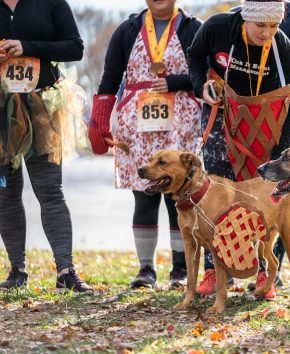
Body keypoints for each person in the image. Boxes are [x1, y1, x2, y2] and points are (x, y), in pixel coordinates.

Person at [187, 0, 290, 300]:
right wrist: (201, 86)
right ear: (245, 19)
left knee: (264, 198)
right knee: (215, 193)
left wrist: (280, 153)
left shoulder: (282, 47)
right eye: (260, 26)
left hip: (264, 126)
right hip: (222, 116)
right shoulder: (217, 28)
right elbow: (195, 56)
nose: (267, 33)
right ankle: (214, 270)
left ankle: (266, 273)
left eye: (274, 26)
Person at [208, 0, 290, 292]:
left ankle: (272, 270)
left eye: (271, 26)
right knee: (234, 192)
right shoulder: (235, 17)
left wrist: (272, 68)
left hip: (281, 120)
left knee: (281, 194)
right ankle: (226, 267)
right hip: (239, 120)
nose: (266, 30)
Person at [88, 0, 202, 289]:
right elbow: (111, 77)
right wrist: (100, 119)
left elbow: (207, 76)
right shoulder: (127, 30)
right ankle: (146, 269)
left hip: (181, 123)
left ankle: (180, 269)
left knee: (181, 196)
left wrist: (176, 81)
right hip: (137, 127)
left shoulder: (192, 29)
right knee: (144, 195)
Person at [0, 0, 92, 292]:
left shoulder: (50, 2)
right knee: (6, 193)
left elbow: (74, 48)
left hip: (42, 105)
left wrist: (27, 46)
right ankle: (17, 271)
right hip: (1, 110)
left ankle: (66, 271)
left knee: (50, 190)